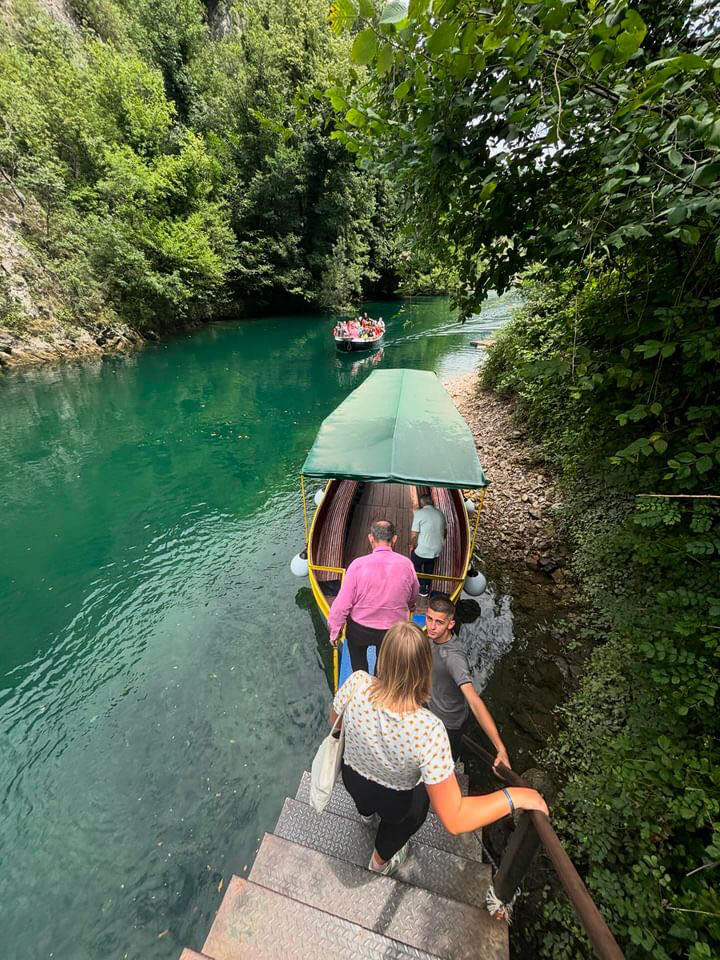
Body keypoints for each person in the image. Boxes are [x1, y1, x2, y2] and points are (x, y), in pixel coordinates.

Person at [331, 621, 548, 876]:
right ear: (425, 668)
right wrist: (516, 795)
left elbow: (334, 723)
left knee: (366, 801)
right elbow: (455, 819)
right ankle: (379, 862)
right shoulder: (429, 729)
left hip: (352, 778)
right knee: (415, 809)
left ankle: (366, 817)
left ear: (383, 658)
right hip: (394, 801)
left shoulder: (356, 682)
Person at [426, 594, 510, 767]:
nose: (431, 627)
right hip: (431, 710)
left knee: (446, 763)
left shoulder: (454, 658)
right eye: (429, 619)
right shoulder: (432, 637)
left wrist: (500, 748)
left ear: (451, 624)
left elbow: (474, 701)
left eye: (439, 622)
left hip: (449, 724)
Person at [328, 519, 419, 672]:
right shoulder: (406, 564)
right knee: (383, 669)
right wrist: (409, 606)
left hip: (360, 628)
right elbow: (413, 594)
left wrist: (335, 631)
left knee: (359, 668)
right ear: (394, 539)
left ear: (371, 538)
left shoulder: (357, 565)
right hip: (393, 630)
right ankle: (379, 686)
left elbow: (342, 604)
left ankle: (362, 684)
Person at [409, 494, 446, 598]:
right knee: (430, 563)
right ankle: (428, 585)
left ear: (421, 503)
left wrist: (412, 545)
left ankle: (422, 588)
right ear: (431, 502)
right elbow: (445, 531)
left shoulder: (419, 513)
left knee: (415, 560)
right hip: (437, 550)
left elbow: (414, 534)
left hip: (424, 550)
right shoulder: (440, 513)